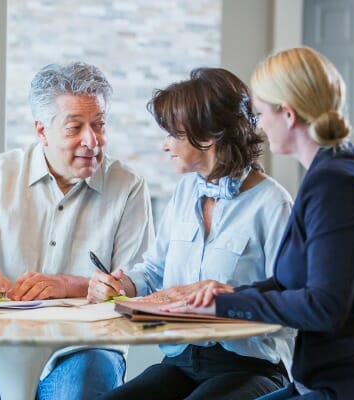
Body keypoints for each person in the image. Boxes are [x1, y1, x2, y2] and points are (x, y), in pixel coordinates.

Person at [172, 47, 354, 399]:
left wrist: (222, 306)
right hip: (343, 379)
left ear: (287, 113)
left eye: (261, 113)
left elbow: (324, 306)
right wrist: (233, 293)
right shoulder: (334, 170)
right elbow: (289, 283)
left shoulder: (336, 183)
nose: (259, 125)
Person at [0, 61, 155, 400]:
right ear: (41, 131)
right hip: (0, 340)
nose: (92, 140)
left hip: (89, 344)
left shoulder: (128, 187)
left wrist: (66, 285)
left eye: (99, 124)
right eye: (75, 128)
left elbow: (137, 289)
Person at [88, 67, 295, 400]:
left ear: (209, 136)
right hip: (181, 361)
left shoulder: (272, 205)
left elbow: (292, 302)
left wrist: (231, 299)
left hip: (249, 367)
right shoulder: (185, 192)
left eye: (174, 134)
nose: (165, 145)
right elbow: (155, 270)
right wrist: (121, 285)